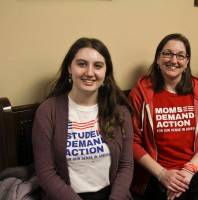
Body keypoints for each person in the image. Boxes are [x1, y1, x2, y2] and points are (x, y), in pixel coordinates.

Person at [32, 38, 134, 200]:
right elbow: (46, 173)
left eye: (98, 66)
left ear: (106, 73)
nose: (89, 73)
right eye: (81, 64)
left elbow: (126, 166)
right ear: (69, 68)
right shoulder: (48, 111)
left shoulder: (120, 111)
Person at [129, 33, 198, 200]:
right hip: (157, 171)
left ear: (186, 62)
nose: (174, 60)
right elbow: (132, 141)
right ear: (158, 59)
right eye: (167, 53)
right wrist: (162, 174)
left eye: (180, 56)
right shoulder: (140, 93)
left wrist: (189, 169)